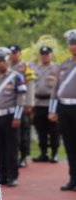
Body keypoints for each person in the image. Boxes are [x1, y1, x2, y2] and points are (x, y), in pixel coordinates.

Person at [0, 46, 27, 187]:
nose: (0, 63)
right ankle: (2, 175)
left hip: (10, 116)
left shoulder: (16, 76)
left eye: (3, 60)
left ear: (7, 61)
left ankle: (12, 176)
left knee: (11, 148)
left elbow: (21, 99)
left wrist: (17, 117)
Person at [49, 30, 76, 190]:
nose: (73, 46)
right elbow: (56, 89)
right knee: (69, 145)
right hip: (64, 108)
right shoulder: (64, 65)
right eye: (71, 44)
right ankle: (73, 179)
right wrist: (53, 110)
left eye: (75, 43)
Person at [32, 46, 60, 162]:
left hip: (51, 103)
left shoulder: (56, 68)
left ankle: (54, 154)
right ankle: (43, 153)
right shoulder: (36, 69)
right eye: (43, 54)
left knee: (54, 131)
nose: (45, 56)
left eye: (47, 54)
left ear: (51, 55)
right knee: (41, 131)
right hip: (38, 103)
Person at [9, 44, 35, 167]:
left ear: (19, 53)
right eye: (11, 53)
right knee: (13, 133)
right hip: (11, 104)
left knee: (24, 132)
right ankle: (14, 156)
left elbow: (30, 85)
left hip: (23, 103)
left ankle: (24, 157)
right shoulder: (6, 65)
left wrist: (29, 103)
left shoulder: (25, 66)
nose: (13, 55)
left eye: (15, 53)